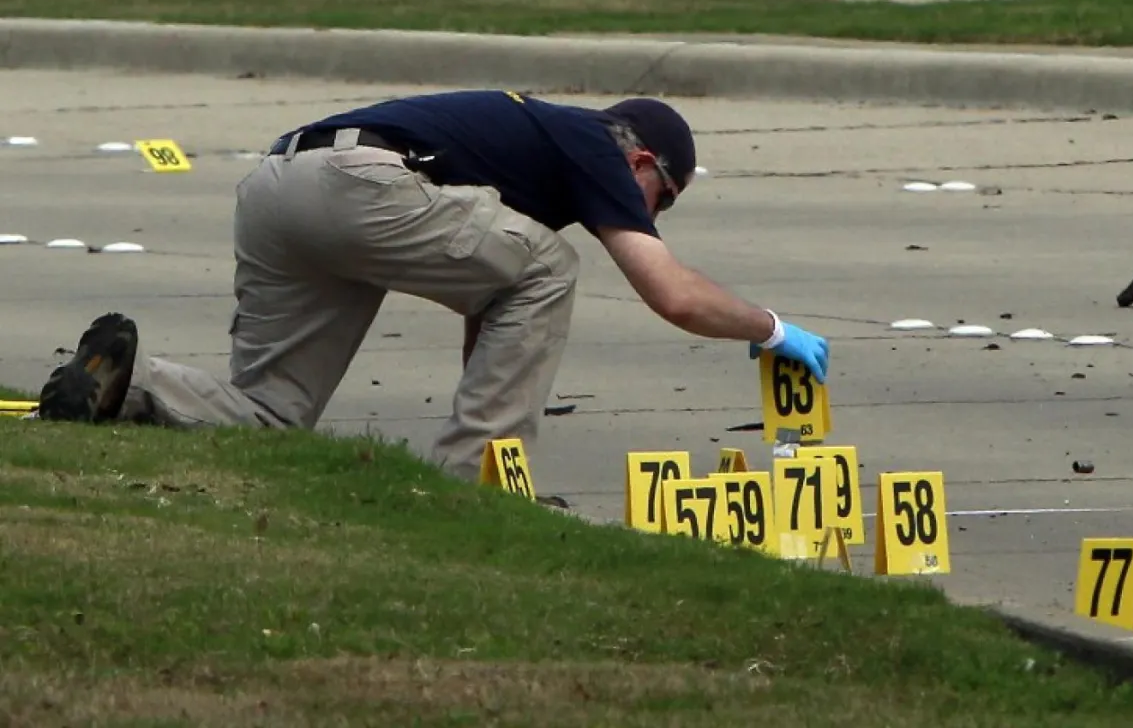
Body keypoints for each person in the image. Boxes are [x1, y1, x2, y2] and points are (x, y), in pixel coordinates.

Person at [36, 89, 830, 489]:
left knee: (271, 413)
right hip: (361, 182)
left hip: (278, 187)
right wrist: (770, 329)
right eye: (664, 199)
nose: (650, 214)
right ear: (643, 162)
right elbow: (671, 294)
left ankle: (126, 382)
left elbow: (495, 304)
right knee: (554, 266)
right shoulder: (593, 143)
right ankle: (475, 487)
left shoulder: (541, 152)